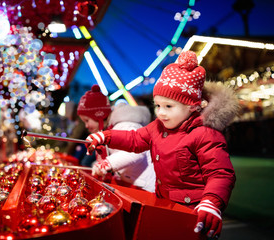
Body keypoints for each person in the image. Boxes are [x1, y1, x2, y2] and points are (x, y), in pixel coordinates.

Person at [85, 51, 238, 239]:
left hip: (193, 211)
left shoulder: (205, 134)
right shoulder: (158, 127)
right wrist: (106, 136)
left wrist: (211, 202)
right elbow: (135, 139)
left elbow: (220, 173)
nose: (161, 113)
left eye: (168, 106)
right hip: (163, 204)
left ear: (192, 106)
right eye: (158, 106)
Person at [77, 85, 156, 192]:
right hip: (133, 182)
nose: (86, 126)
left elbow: (136, 152)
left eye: (87, 120)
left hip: (144, 186)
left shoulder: (126, 125)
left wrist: (107, 163)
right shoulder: (112, 127)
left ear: (99, 115)